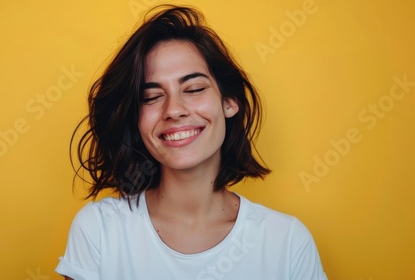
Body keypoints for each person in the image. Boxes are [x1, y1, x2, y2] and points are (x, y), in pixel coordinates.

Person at [56, 5, 327, 280]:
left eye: (194, 89)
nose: (174, 110)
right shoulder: (99, 230)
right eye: (150, 97)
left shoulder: (287, 242)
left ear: (229, 102)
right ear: (135, 118)